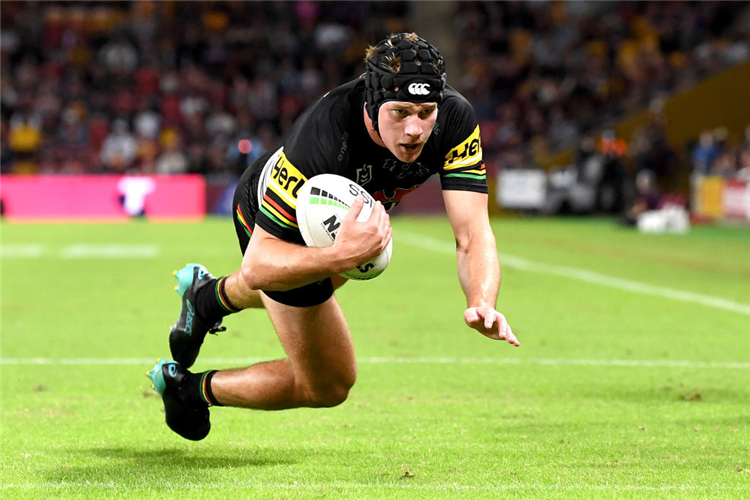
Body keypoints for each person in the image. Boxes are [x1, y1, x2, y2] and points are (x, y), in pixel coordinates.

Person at [147, 33, 519, 441]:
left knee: (328, 276)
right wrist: (341, 255)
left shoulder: (455, 119)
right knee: (329, 385)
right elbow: (258, 266)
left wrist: (481, 301)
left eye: (425, 112)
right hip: (272, 219)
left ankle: (206, 297)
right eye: (400, 113)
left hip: (340, 223)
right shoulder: (325, 133)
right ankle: (188, 390)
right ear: (371, 105)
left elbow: (472, 232)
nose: (415, 129)